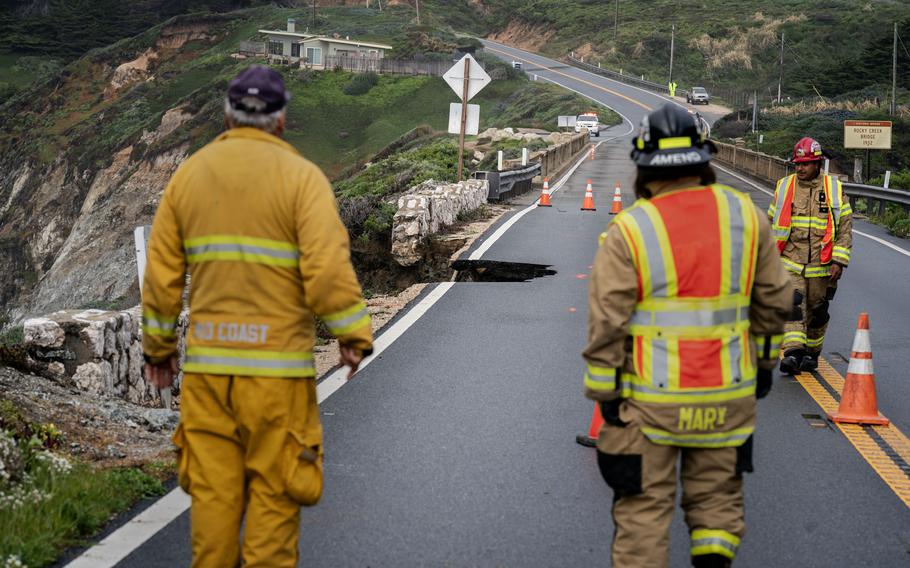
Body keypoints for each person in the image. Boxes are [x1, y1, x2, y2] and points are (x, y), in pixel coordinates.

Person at [141, 65, 374, 567]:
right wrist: (351, 334)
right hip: (277, 383)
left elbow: (161, 276)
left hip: (209, 378)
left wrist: (158, 351)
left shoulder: (190, 176)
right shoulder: (303, 180)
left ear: (226, 117)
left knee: (214, 503)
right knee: (274, 503)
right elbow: (328, 268)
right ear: (282, 120)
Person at [583, 104, 791, 568]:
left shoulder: (629, 230)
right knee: (717, 509)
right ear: (704, 158)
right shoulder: (746, 215)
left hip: (648, 407)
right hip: (726, 400)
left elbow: (607, 321)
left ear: (643, 165)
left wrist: (605, 394)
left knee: (642, 515)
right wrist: (762, 365)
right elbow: (775, 299)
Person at [768, 137, 853, 374]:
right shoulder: (784, 187)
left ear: (817, 164)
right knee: (792, 305)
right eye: (797, 164)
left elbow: (844, 228)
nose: (800, 168)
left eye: (805, 164)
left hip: (823, 266)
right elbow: (770, 222)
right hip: (789, 262)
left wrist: (839, 261)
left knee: (817, 311)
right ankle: (793, 353)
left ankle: (811, 354)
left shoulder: (834, 190)